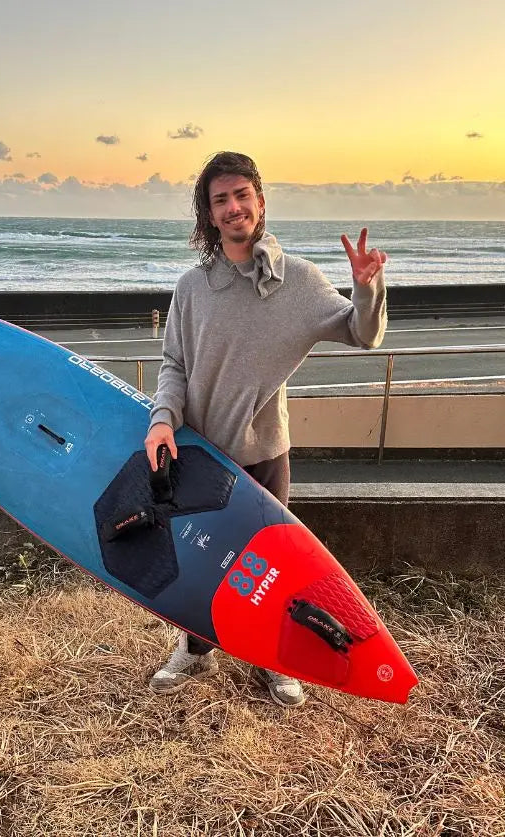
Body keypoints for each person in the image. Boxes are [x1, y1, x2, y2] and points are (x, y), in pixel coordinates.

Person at [145, 151, 388, 707]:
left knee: (270, 566)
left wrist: (367, 288)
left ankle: (275, 659)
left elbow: (362, 333)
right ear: (208, 215)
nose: (233, 208)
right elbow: (174, 366)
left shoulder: (298, 282)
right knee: (201, 561)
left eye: (241, 195)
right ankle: (196, 650)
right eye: (220, 200)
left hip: (265, 453)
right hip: (201, 452)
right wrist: (162, 421)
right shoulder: (192, 287)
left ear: (260, 200)